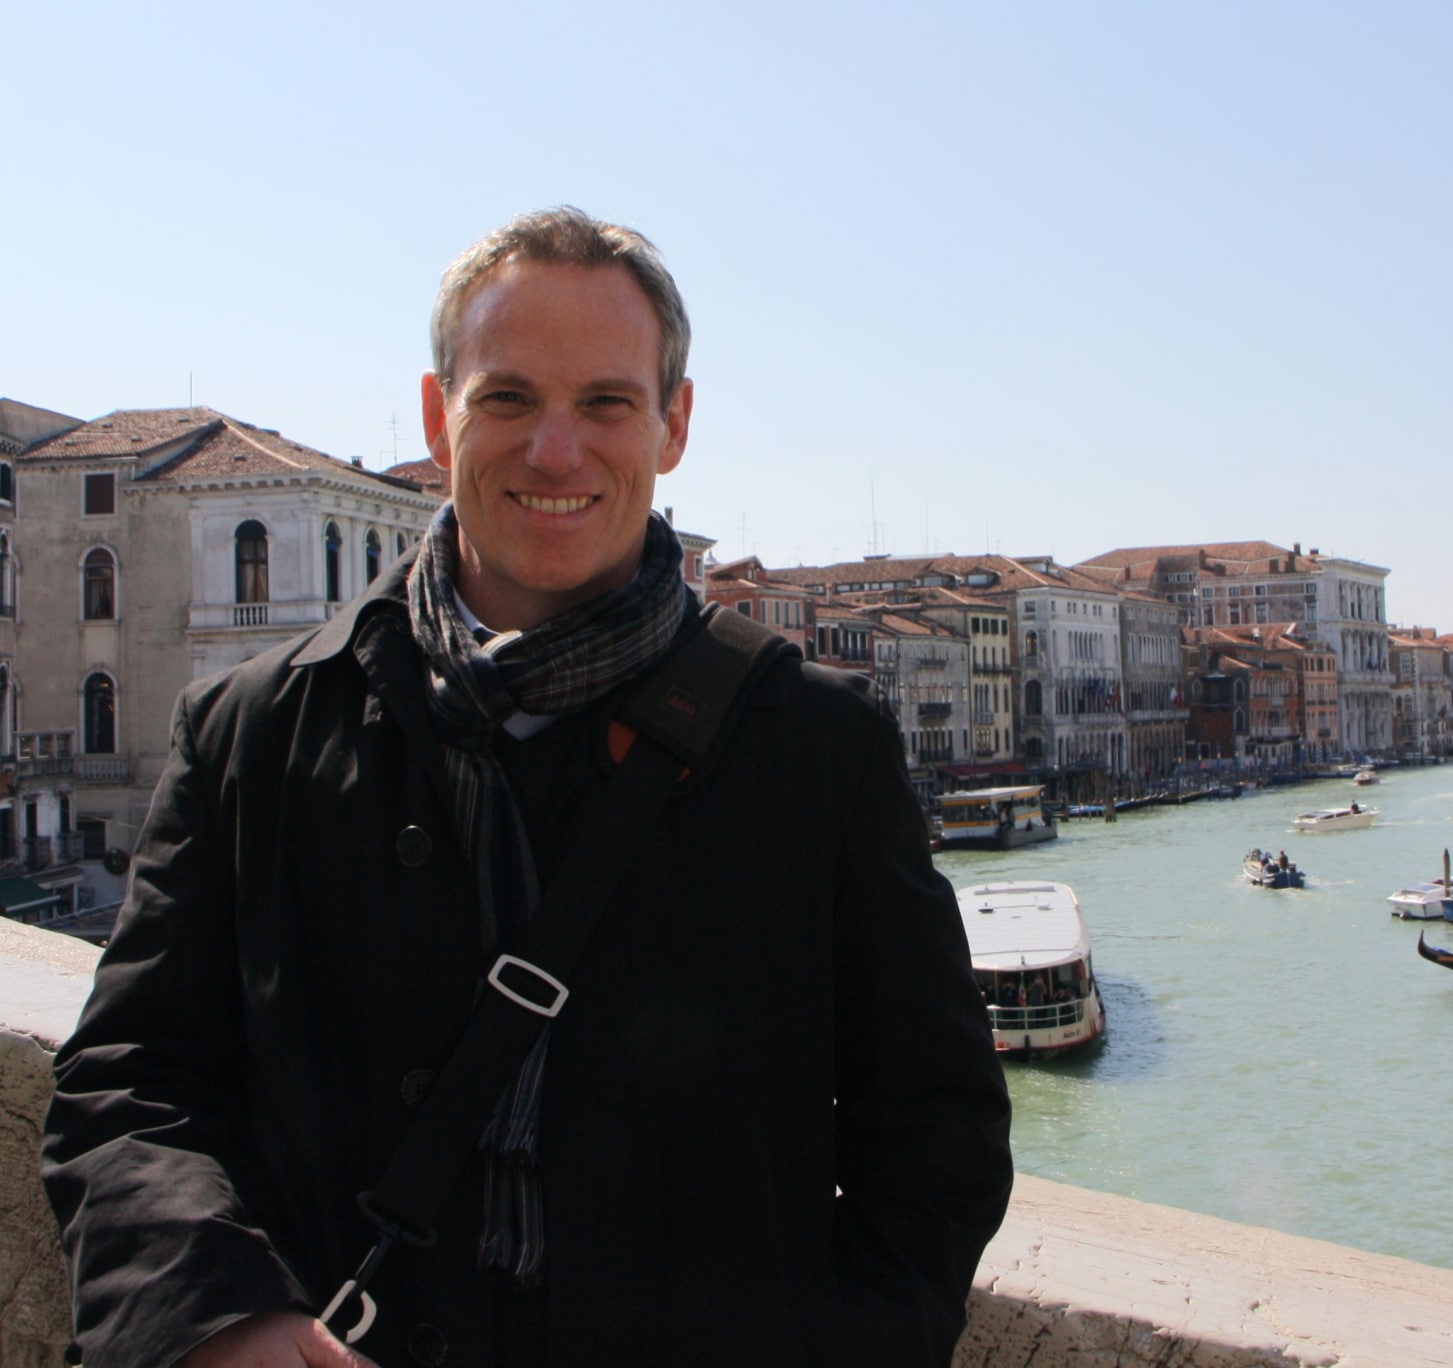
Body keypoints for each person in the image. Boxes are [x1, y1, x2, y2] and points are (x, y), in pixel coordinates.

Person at [42, 208, 1013, 1368]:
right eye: (507, 399)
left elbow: (938, 1135)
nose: (555, 452)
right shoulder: (255, 731)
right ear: (435, 411)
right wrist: (216, 1318)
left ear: (673, 424)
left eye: (605, 402)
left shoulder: (817, 751)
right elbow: (130, 1082)